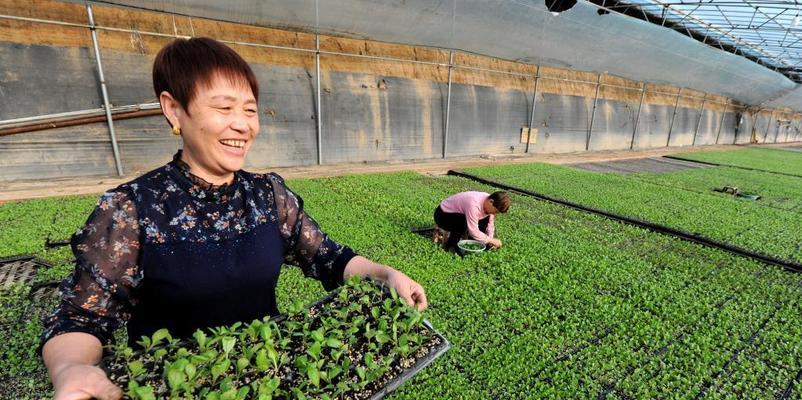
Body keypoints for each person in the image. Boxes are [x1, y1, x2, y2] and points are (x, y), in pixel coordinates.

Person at [40, 37, 427, 400]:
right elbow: (80, 318)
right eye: (224, 108)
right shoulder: (132, 208)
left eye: (250, 110)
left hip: (267, 373)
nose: (242, 124)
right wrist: (70, 367)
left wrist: (383, 273)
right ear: (174, 109)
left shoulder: (267, 195)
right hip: (180, 385)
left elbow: (327, 256)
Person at [434, 191, 510, 251]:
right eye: (495, 211)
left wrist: (490, 239)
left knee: (486, 218)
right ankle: (451, 246)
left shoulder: (489, 202)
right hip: (443, 215)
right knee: (461, 221)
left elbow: (490, 225)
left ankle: (479, 245)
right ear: (491, 201)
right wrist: (492, 240)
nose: (494, 213)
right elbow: (473, 231)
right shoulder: (473, 204)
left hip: (457, 214)